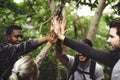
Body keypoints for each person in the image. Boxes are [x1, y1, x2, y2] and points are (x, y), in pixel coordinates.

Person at [51, 16, 120, 80]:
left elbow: (88, 51)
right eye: (79, 51)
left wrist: (63, 37)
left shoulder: (96, 69)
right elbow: (59, 54)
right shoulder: (115, 58)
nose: (108, 40)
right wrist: (60, 40)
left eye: (112, 37)